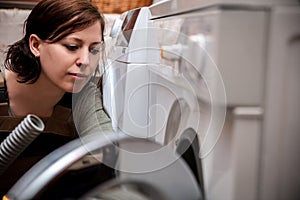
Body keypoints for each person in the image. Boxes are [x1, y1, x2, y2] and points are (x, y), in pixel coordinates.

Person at [0, 0, 113, 195]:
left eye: (93, 50)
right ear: (36, 45)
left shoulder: (83, 95)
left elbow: (106, 147)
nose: (86, 61)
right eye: (71, 46)